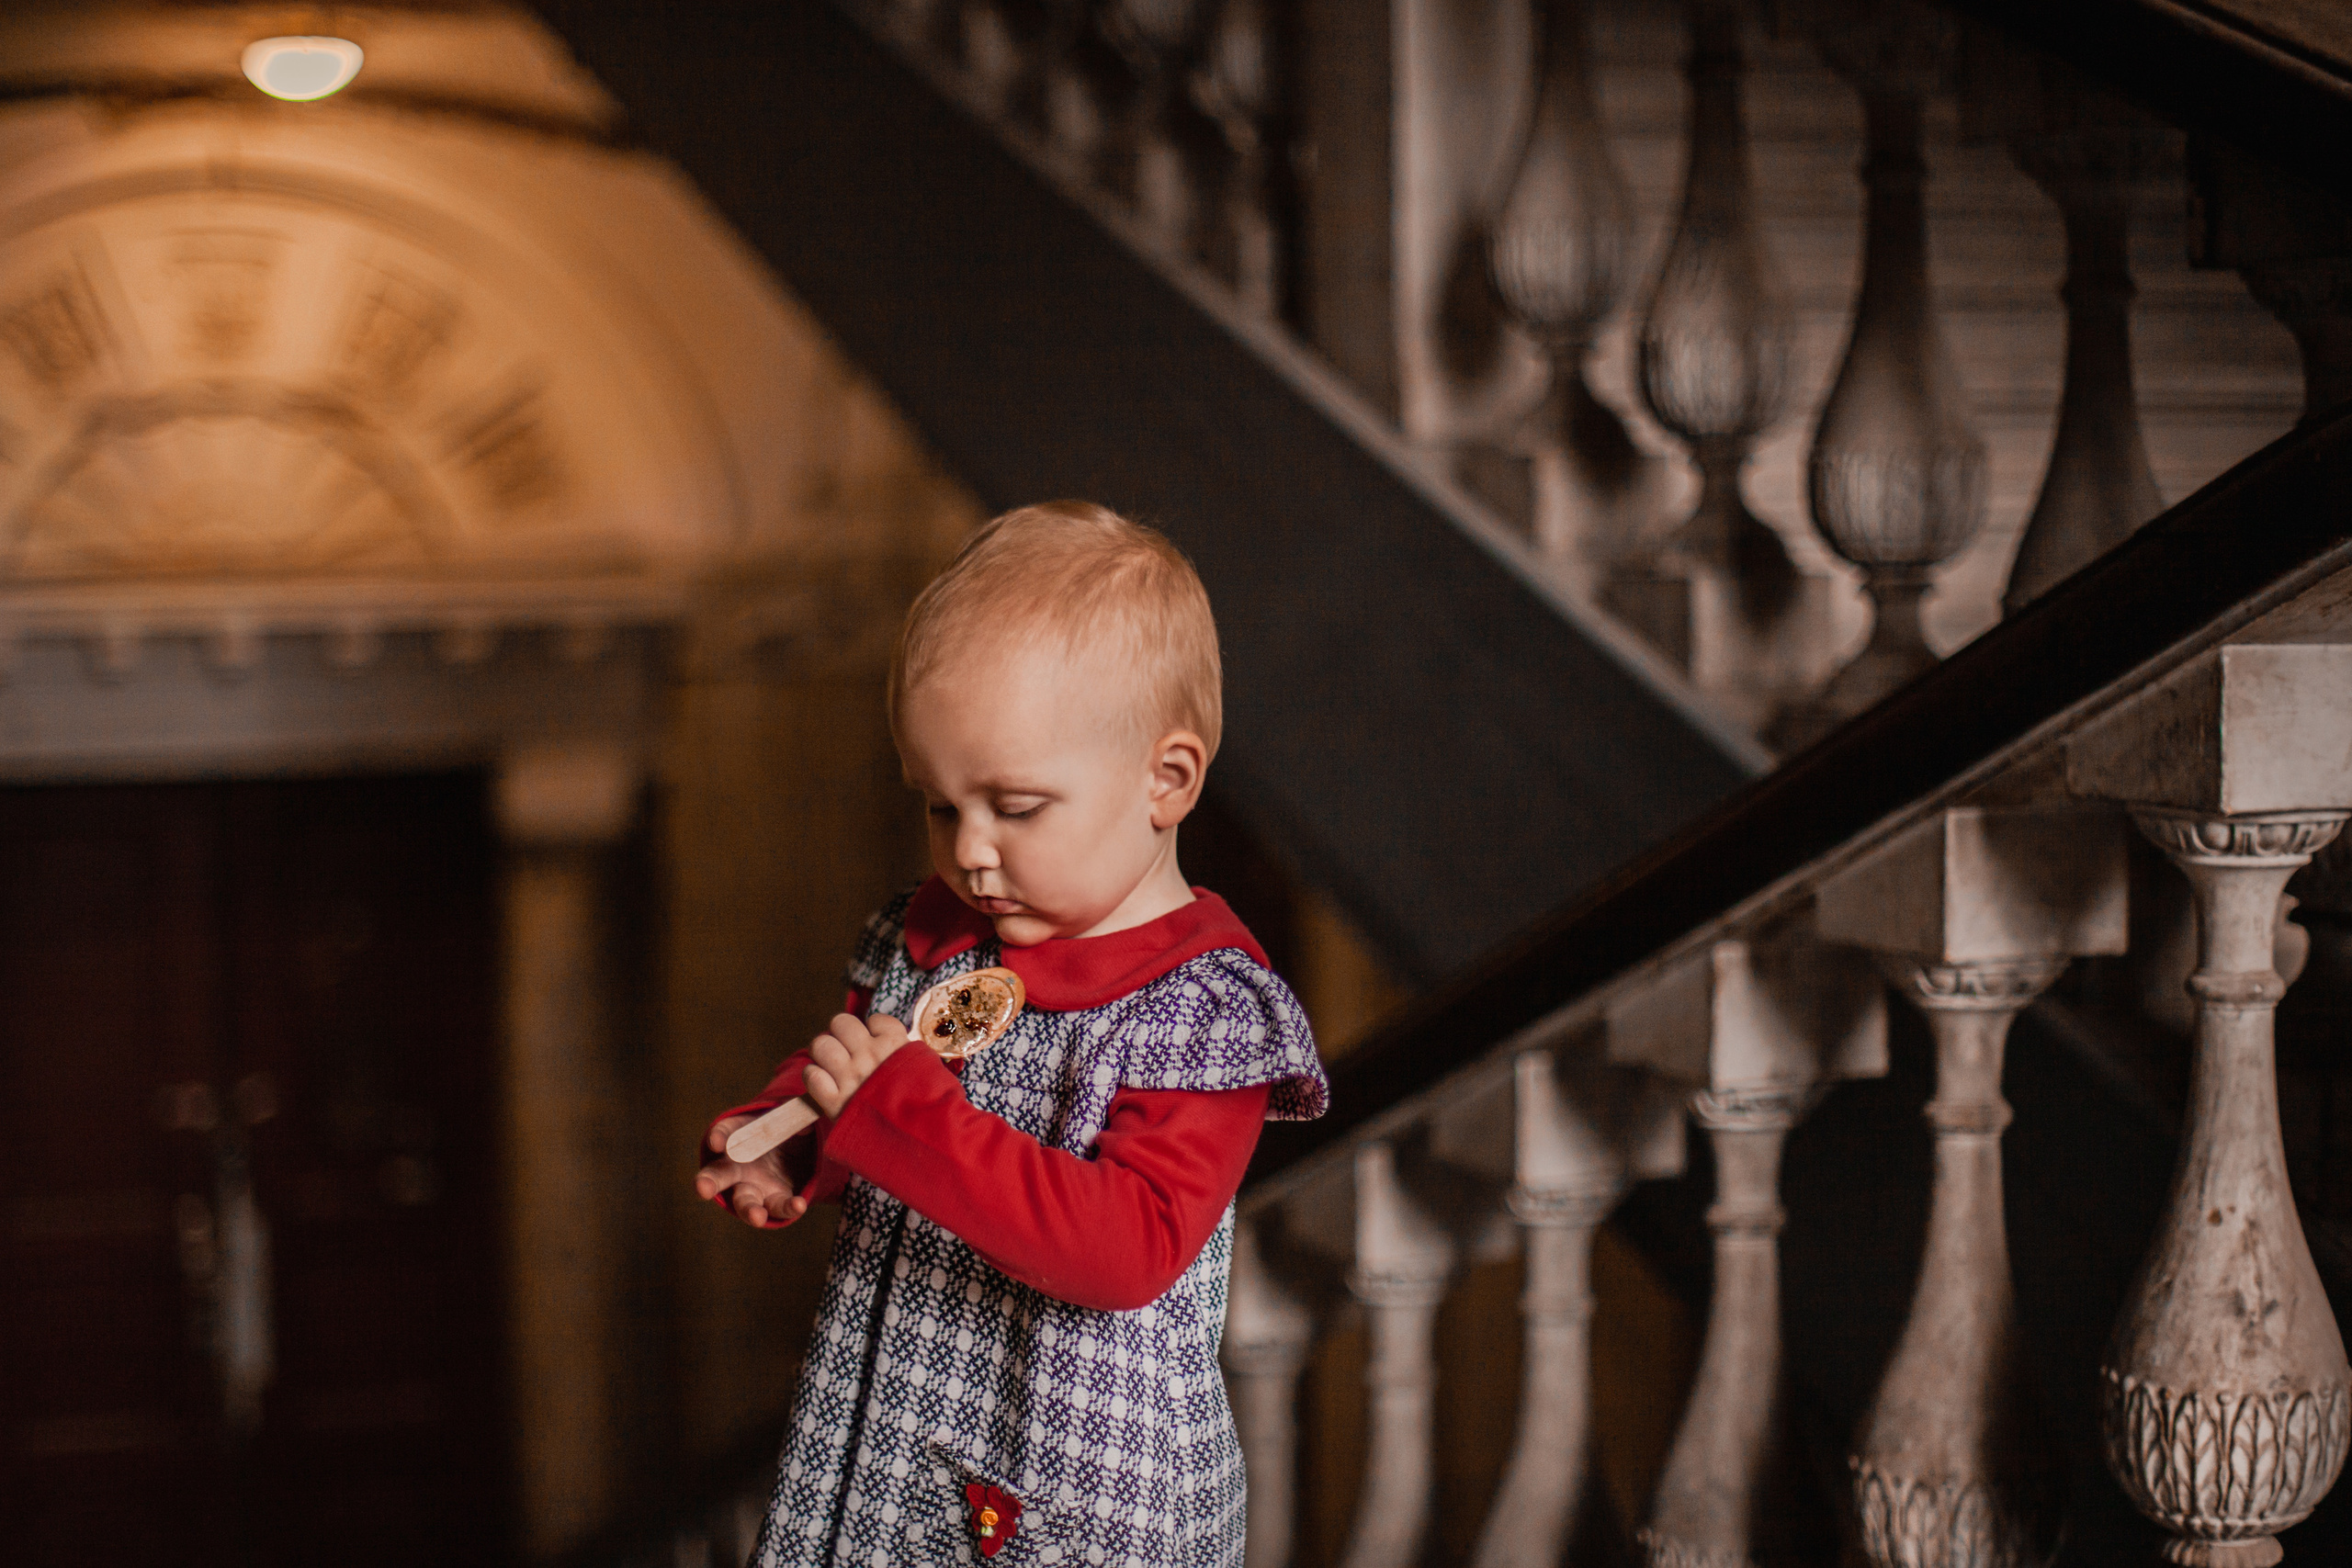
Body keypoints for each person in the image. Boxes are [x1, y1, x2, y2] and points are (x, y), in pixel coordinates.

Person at [695, 500, 1328, 1567]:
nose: (970, 852)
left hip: (1066, 1485)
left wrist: (899, 1116)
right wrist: (793, 1137)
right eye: (940, 807)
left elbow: (1127, 1251)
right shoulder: (936, 936)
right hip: (885, 1426)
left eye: (1016, 807)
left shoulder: (1200, 1013)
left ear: (1165, 780)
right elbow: (861, 1074)